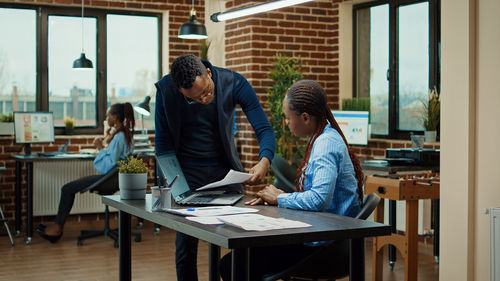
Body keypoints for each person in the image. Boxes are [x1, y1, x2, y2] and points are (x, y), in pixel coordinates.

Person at [218, 80, 365, 280]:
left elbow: (318, 199)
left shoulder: (325, 144)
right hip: (322, 236)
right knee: (242, 257)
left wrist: (280, 198)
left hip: (323, 246)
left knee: (232, 265)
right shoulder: (323, 135)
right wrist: (279, 196)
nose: (286, 124)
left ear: (305, 117)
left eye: (288, 118)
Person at [154, 53, 276, 281]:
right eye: (194, 98)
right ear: (180, 91)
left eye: (207, 91)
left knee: (241, 241)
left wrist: (264, 160)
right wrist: (171, 186)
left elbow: (264, 130)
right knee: (185, 247)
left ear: (208, 73)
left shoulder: (234, 82)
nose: (204, 99)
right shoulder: (165, 90)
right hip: (186, 178)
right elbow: (162, 146)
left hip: (226, 175)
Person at [36, 102, 135, 243]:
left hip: (109, 179)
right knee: (68, 188)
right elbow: (115, 158)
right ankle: (57, 226)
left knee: (67, 188)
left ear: (115, 117)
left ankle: (57, 228)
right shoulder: (125, 135)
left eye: (108, 115)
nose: (107, 118)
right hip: (115, 178)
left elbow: (109, 165)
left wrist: (100, 148)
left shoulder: (119, 137)